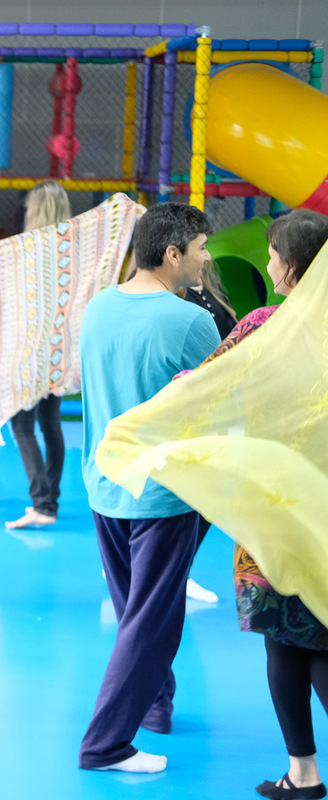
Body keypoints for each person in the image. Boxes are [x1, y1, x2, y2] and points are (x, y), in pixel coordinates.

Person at [187, 209, 328, 800]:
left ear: (290, 266)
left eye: (272, 254)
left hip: (273, 505)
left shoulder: (263, 326)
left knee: (284, 634)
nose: (267, 263)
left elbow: (198, 390)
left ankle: (303, 772)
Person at [77, 202, 221, 774]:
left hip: (104, 482)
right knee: (152, 621)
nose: (206, 258)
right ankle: (106, 743)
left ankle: (155, 708)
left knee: (133, 607)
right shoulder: (190, 321)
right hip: (161, 492)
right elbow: (217, 400)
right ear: (172, 254)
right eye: (202, 248)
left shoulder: (96, 309)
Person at [7, 181, 71, 530]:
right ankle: (51, 500)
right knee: (50, 424)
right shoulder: (73, 247)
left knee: (22, 426)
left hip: (30, 350)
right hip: (60, 349)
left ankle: (42, 504)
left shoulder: (28, 247)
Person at [179, 260, 239, 602]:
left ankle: (179, 568)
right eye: (198, 245)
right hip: (192, 407)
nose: (204, 253)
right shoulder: (175, 296)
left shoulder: (215, 292)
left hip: (219, 406)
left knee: (211, 495)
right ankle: (166, 568)